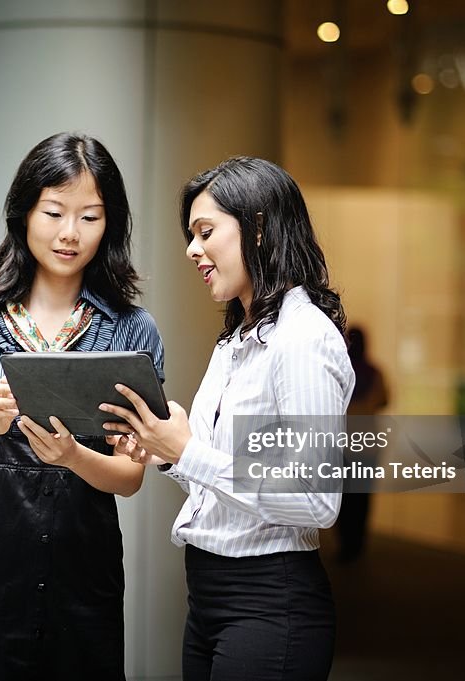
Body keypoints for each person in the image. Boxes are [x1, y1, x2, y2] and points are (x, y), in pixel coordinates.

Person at [0, 132, 164, 681]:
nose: (70, 233)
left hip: (81, 590)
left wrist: (73, 457)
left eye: (90, 217)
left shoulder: (132, 330)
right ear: (24, 214)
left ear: (110, 224)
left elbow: (130, 476)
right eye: (54, 212)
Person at [99, 157, 354, 681]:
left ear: (258, 226)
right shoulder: (237, 339)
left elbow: (316, 498)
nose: (193, 250)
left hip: (270, 601)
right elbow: (222, 475)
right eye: (191, 235)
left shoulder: (303, 338)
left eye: (206, 231)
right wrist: (169, 451)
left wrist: (189, 452)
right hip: (210, 596)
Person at [336, 326, 389, 562]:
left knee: (343, 495)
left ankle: (345, 544)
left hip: (342, 442)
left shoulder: (341, 370)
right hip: (367, 444)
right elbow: (385, 400)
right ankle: (357, 544)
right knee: (362, 496)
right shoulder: (375, 373)